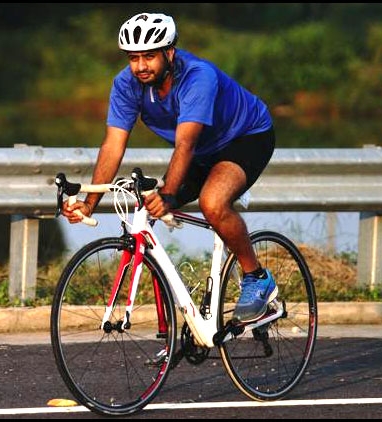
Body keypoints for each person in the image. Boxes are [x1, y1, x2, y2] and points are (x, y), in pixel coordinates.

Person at [62, 12, 277, 322]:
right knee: (146, 212)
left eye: (148, 56)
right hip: (200, 149)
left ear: (169, 53)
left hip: (244, 137)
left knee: (212, 203)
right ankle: (176, 324)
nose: (140, 66)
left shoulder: (198, 76)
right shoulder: (127, 84)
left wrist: (170, 194)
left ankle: (256, 278)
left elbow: (185, 145)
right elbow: (113, 144)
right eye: (133, 58)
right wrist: (91, 203)